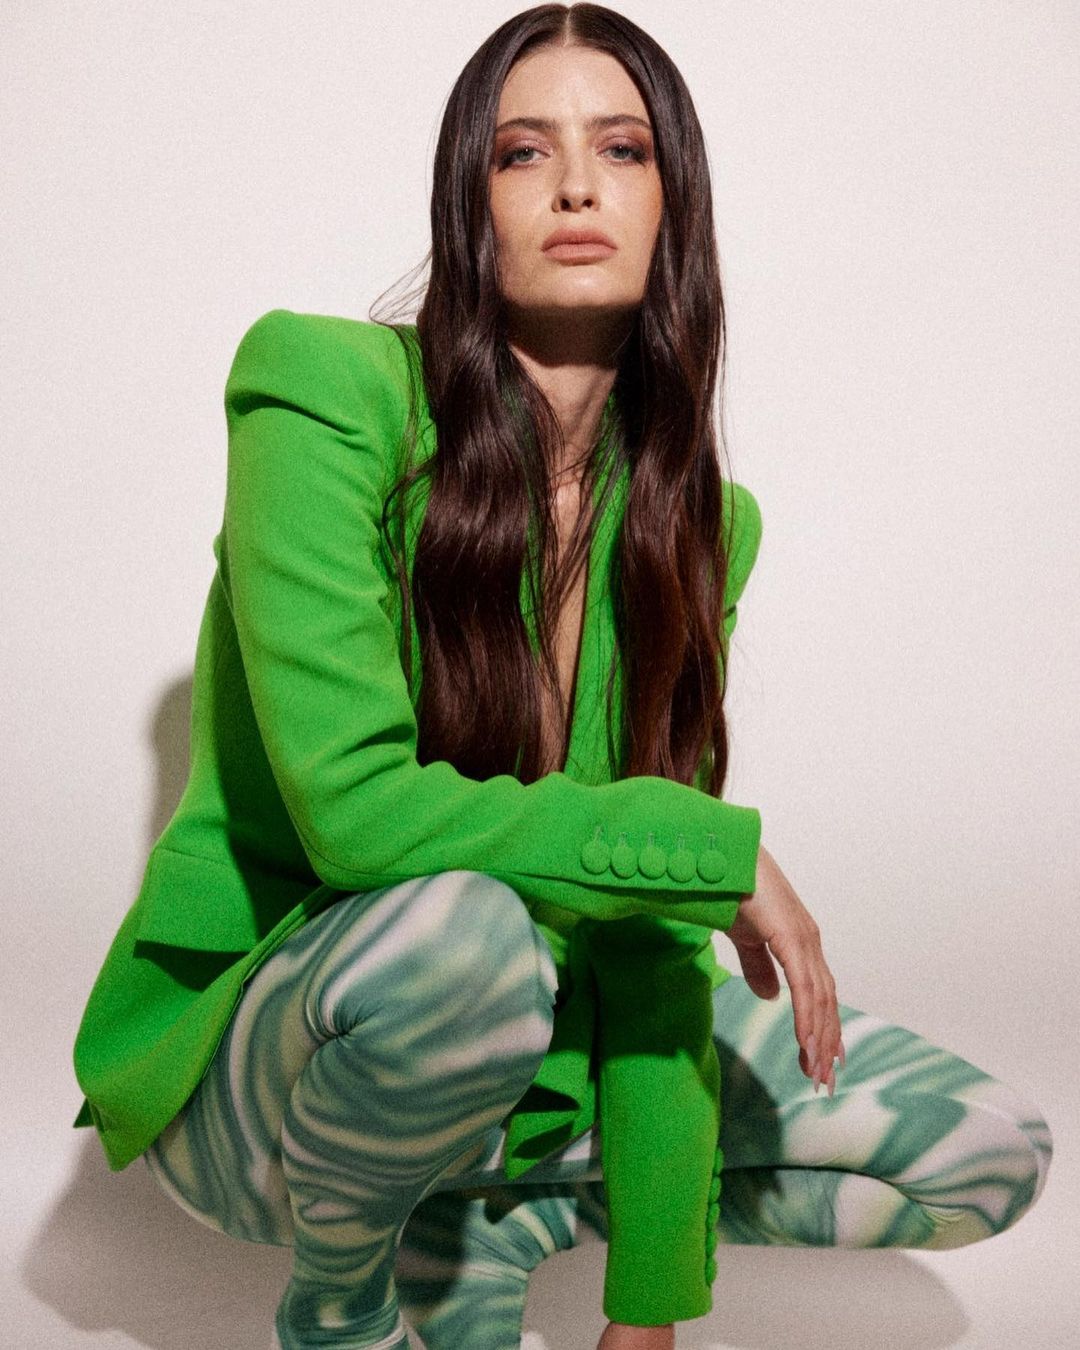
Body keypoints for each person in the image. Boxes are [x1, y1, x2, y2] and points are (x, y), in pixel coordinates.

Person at [70, 6, 1053, 1349]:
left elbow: (643, 939)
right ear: (468, 205)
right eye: (524, 151)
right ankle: (345, 1302)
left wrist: (649, 1309)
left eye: (624, 149)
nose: (578, 185)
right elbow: (355, 817)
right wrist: (711, 853)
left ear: (673, 205)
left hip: (530, 1051)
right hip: (274, 1082)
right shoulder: (324, 392)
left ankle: (494, 1219)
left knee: (990, 1146)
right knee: (464, 937)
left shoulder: (699, 527)